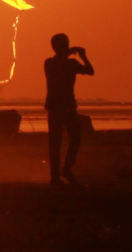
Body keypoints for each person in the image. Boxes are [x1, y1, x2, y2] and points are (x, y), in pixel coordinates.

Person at [44, 33, 94, 185]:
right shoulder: (50, 63)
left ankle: (65, 169)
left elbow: (90, 71)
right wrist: (72, 53)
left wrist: (83, 57)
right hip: (56, 108)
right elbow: (60, 64)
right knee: (55, 142)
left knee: (75, 139)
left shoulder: (71, 63)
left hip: (67, 107)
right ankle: (55, 176)